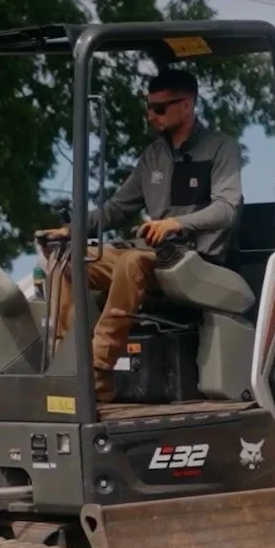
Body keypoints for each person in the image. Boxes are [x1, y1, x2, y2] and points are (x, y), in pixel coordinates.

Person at [40, 67, 243, 401]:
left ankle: (98, 370)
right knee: (68, 260)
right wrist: (69, 231)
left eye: (160, 108)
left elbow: (227, 209)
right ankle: (66, 366)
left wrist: (174, 224)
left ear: (188, 105)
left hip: (197, 262)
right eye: (149, 107)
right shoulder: (153, 156)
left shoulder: (221, 149)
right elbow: (116, 209)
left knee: (131, 262)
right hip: (156, 255)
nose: (152, 116)